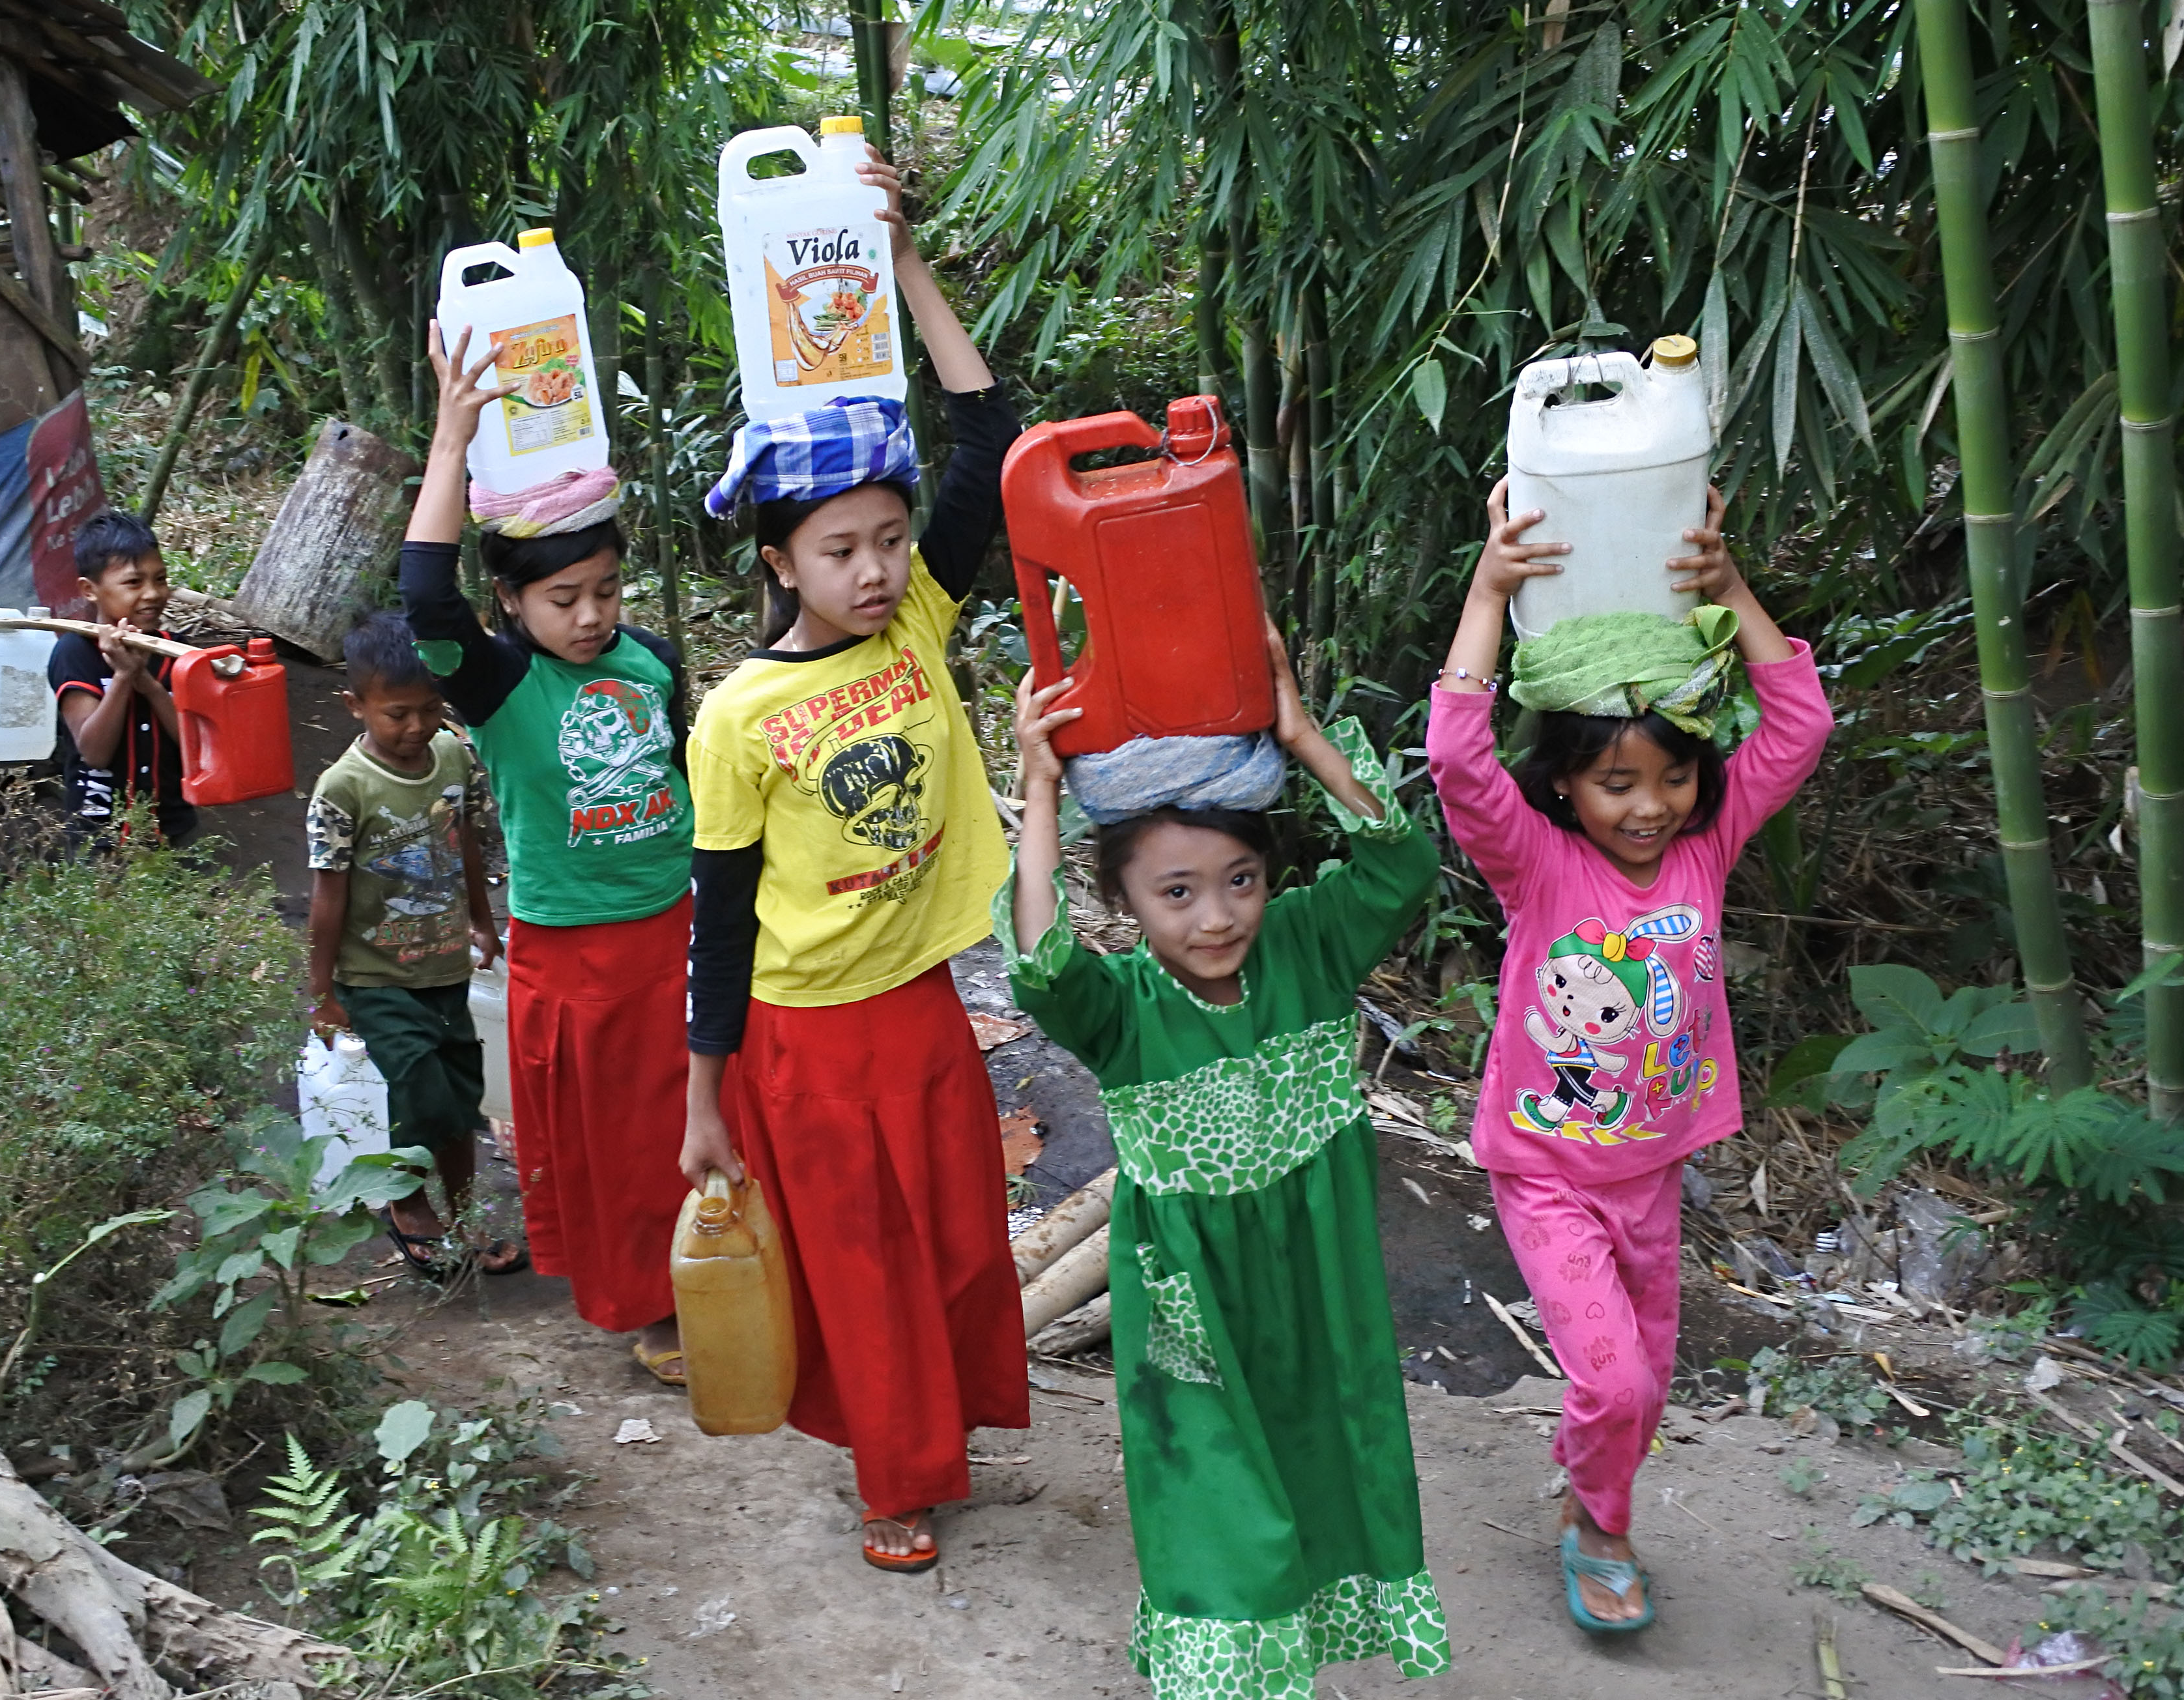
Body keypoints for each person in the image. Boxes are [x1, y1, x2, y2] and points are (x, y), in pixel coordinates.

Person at [680, 145, 1026, 1574]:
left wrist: (899, 269)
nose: (877, 567)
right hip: (806, 1040)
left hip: (924, 1006)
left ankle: (934, 1437)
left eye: (888, 540)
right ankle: (893, 1476)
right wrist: (704, 1101)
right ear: (780, 560)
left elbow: (992, 441)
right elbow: (712, 921)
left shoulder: (917, 624)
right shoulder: (735, 715)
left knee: (951, 1245)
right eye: (842, 548)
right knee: (866, 1271)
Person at [998, 622, 1455, 1697]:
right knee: (1212, 1493)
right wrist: (1042, 792)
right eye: (1178, 892)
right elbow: (1036, 964)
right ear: (1121, 901)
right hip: (1190, 1303)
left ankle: (1285, 1656)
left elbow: (1403, 859)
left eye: (1241, 877)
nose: (1218, 915)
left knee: (1328, 1458)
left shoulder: (1308, 943)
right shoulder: (1119, 1010)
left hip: (1320, 1280)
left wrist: (1297, 731)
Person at [1427, 480, 1832, 1632]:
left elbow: (1799, 725)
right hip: (1548, 1170)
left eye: (1674, 775)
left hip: (1652, 1168)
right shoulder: (1539, 863)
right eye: (1617, 782)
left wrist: (1732, 587)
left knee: (1641, 1388)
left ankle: (1590, 1488)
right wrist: (1490, 591)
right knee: (1615, 1379)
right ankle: (1602, 1525)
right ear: (1565, 782)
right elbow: (1459, 758)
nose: (1651, 804)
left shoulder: (1707, 848)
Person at [396, 328, 697, 1370]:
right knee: (622, 1149)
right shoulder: (501, 684)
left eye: (606, 591)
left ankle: (714, 1275)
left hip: (679, 931)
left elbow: (685, 782)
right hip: (578, 953)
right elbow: (426, 599)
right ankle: (652, 1308)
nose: (590, 616)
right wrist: (451, 443)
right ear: (511, 606)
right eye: (563, 600)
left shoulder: (654, 663)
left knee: (700, 1122)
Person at [304, 612, 517, 1276]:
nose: (416, 726)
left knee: (460, 1093)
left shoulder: (453, 757)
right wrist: (322, 989)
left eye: (430, 709)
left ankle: (459, 1208)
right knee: (416, 1091)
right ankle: (410, 1202)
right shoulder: (344, 788)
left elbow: (467, 847)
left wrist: (483, 920)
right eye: (397, 713)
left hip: (445, 963)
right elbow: (327, 894)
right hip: (375, 976)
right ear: (355, 705)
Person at [50, 510, 194, 844]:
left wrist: (149, 685)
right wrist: (125, 677)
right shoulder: (75, 653)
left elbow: (194, 745)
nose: (153, 594)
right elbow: (95, 754)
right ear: (89, 590)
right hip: (98, 834)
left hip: (172, 825)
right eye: (133, 582)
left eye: (160, 579)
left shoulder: (178, 653)